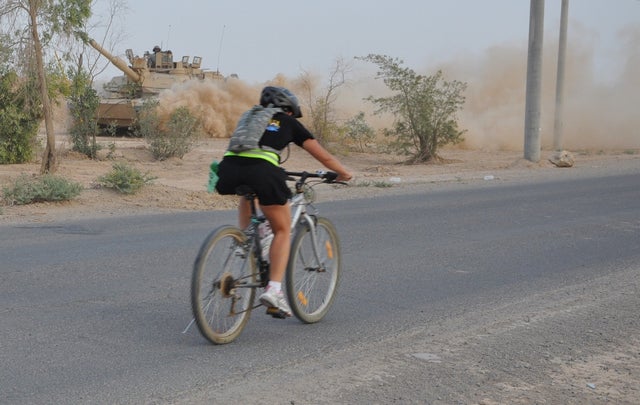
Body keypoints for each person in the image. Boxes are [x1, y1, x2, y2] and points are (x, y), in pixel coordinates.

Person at [215, 86, 353, 317]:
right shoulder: (288, 122)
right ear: (289, 110)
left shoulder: (248, 117)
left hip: (227, 170)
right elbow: (323, 155)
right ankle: (275, 291)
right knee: (282, 230)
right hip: (262, 171)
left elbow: (246, 152)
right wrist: (343, 173)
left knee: (249, 191)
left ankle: (246, 239)